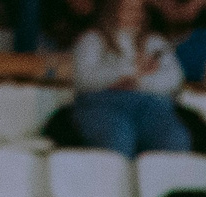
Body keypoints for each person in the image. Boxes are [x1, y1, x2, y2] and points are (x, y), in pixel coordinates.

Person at [71, 0, 193, 156]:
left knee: (174, 139)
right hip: (103, 105)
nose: (135, 15)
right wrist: (129, 71)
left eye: (139, 10)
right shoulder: (93, 39)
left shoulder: (155, 42)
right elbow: (84, 78)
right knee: (118, 136)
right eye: (128, 10)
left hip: (150, 106)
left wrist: (139, 81)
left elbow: (174, 79)